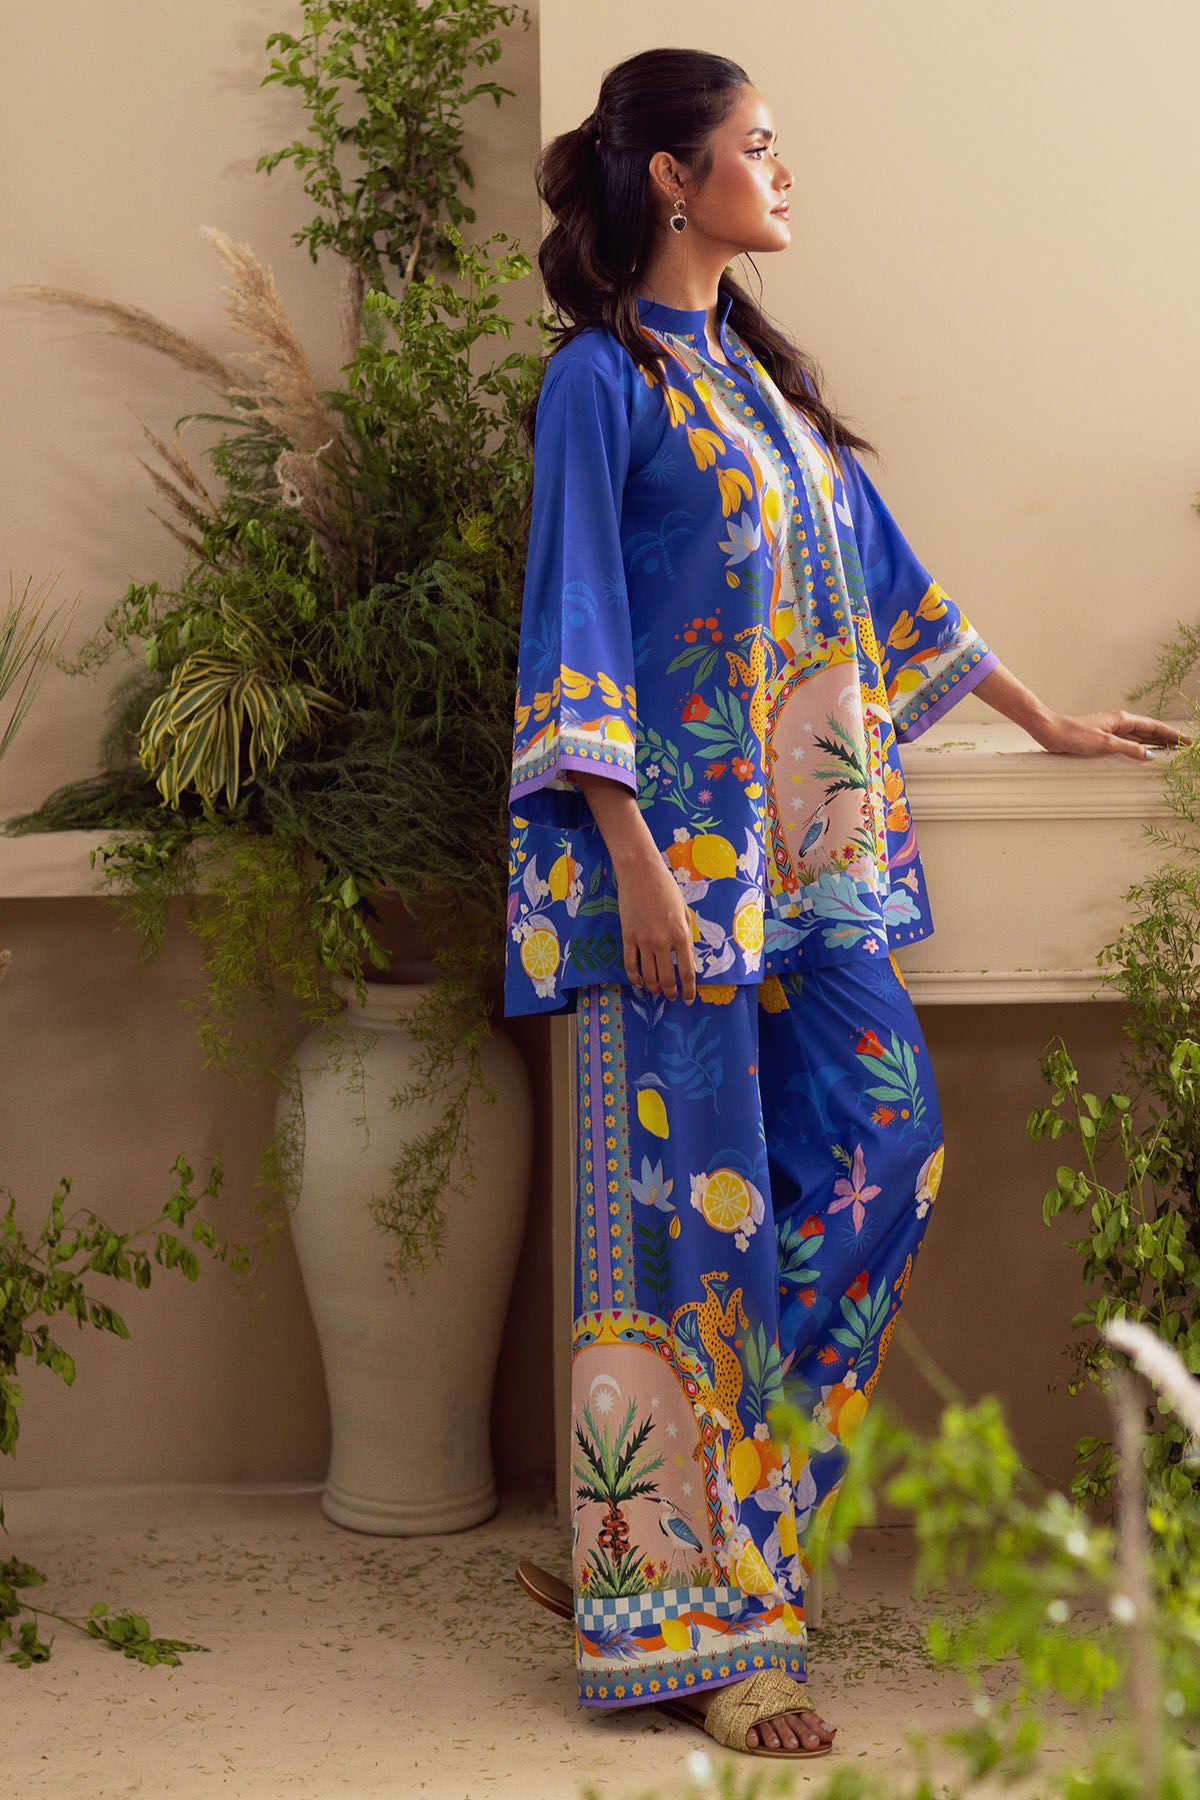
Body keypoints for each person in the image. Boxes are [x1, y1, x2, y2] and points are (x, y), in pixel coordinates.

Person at [505, 47, 1179, 1760]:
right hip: (673, 887)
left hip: (815, 880)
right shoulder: (601, 382)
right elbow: (573, 618)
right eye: (758, 144)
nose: (783, 169)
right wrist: (633, 861)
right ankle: (708, 1632)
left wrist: (1049, 718)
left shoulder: (767, 385)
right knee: (699, 1237)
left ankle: (660, 1536)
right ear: (675, 177)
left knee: (892, 1154)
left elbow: (889, 583)